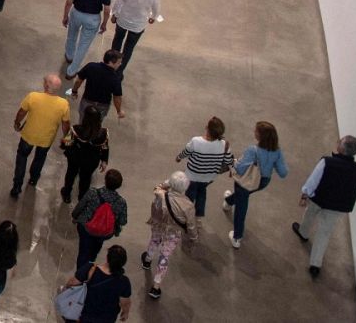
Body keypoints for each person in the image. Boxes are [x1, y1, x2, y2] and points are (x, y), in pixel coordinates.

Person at [294, 135, 356, 280]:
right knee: (324, 232)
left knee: (310, 214)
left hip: (319, 199)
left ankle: (304, 232)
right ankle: (315, 264)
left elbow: (313, 181)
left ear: (341, 147)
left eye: (339, 142)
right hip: (337, 206)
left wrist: (304, 195)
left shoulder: (327, 162)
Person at [223, 121, 287, 249]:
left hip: (246, 181)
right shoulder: (277, 151)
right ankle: (228, 201)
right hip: (262, 182)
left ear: (261, 136)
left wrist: (233, 162)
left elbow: (240, 169)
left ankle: (236, 237)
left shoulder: (253, 150)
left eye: (256, 131)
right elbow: (283, 172)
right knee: (243, 195)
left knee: (241, 206)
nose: (254, 132)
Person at [11, 74, 71, 198]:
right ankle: (33, 179)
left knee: (22, 157)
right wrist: (67, 138)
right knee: (40, 158)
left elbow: (22, 112)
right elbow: (65, 124)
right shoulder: (63, 104)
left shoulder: (33, 97)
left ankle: (17, 186)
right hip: (46, 140)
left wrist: (17, 123)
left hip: (28, 136)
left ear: (46, 85)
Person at [142, 171, 196, 299]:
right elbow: (191, 225)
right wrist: (193, 237)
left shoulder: (160, 194)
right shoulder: (188, 205)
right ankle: (156, 286)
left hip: (159, 225)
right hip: (172, 232)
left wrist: (168, 182)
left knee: (154, 241)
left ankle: (147, 259)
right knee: (164, 255)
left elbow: (159, 187)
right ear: (186, 186)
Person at [175, 116, 233, 222]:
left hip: (192, 175)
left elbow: (186, 152)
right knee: (202, 192)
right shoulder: (224, 144)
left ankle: (187, 214)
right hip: (209, 176)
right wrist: (232, 170)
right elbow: (229, 160)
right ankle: (198, 217)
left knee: (190, 195)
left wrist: (179, 157)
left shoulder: (196, 141)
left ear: (207, 128)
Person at [71, 167, 127, 271]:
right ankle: (90, 264)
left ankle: (80, 274)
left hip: (86, 228)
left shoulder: (93, 192)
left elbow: (80, 206)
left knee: (83, 251)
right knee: (94, 250)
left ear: (105, 180)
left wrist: (75, 216)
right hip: (104, 232)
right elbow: (123, 221)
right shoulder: (121, 202)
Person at [61, 0, 111, 77]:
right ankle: (72, 71)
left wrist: (65, 16)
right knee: (83, 45)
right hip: (92, 18)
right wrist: (104, 23)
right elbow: (107, 10)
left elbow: (69, 2)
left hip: (77, 13)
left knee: (72, 35)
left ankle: (69, 55)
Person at [108, 0, 161, 71]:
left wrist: (114, 14)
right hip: (138, 25)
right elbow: (156, 8)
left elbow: (118, 1)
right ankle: (120, 70)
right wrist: (153, 17)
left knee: (117, 42)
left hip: (123, 20)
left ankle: (110, 66)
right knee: (129, 48)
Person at [65, 244, 132, 323]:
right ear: (123, 263)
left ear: (107, 258)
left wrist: (66, 288)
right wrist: (125, 313)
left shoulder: (90, 269)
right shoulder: (124, 282)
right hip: (106, 319)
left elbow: (73, 283)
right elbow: (125, 303)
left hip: (83, 316)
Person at [61, 105, 111, 206]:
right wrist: (104, 161)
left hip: (75, 158)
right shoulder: (103, 133)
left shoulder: (76, 129)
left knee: (71, 174)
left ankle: (66, 194)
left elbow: (66, 143)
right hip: (91, 161)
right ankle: (82, 198)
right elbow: (105, 147)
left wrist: (65, 146)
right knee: (86, 178)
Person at [70, 50, 125, 121]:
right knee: (96, 124)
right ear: (111, 62)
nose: (120, 64)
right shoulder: (116, 78)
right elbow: (117, 98)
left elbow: (78, 81)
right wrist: (119, 111)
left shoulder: (91, 66)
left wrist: (74, 92)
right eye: (119, 62)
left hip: (87, 101)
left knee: (83, 121)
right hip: (102, 106)